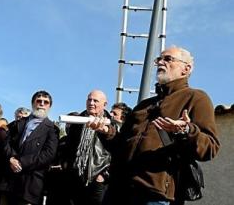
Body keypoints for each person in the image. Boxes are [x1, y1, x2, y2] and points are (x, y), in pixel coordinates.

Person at [89, 46, 220, 205]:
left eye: (168, 59)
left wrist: (186, 130)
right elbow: (121, 146)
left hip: (154, 195)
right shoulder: (144, 105)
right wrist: (105, 131)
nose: (160, 62)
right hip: (118, 190)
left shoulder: (196, 98)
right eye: (159, 59)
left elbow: (210, 148)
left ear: (186, 68)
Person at [0, 90, 59, 205]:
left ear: (49, 107)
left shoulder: (52, 129)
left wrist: (21, 162)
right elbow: (6, 142)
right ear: (33, 104)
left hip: (30, 185)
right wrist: (11, 158)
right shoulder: (19, 122)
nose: (41, 104)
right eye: (39, 101)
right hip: (9, 181)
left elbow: (48, 155)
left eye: (45, 102)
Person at [62, 90, 116, 205]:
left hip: (98, 179)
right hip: (75, 178)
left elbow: (118, 148)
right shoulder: (77, 122)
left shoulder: (111, 123)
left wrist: (104, 175)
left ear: (104, 105)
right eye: (89, 99)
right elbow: (69, 148)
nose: (91, 103)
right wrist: (67, 167)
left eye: (95, 101)